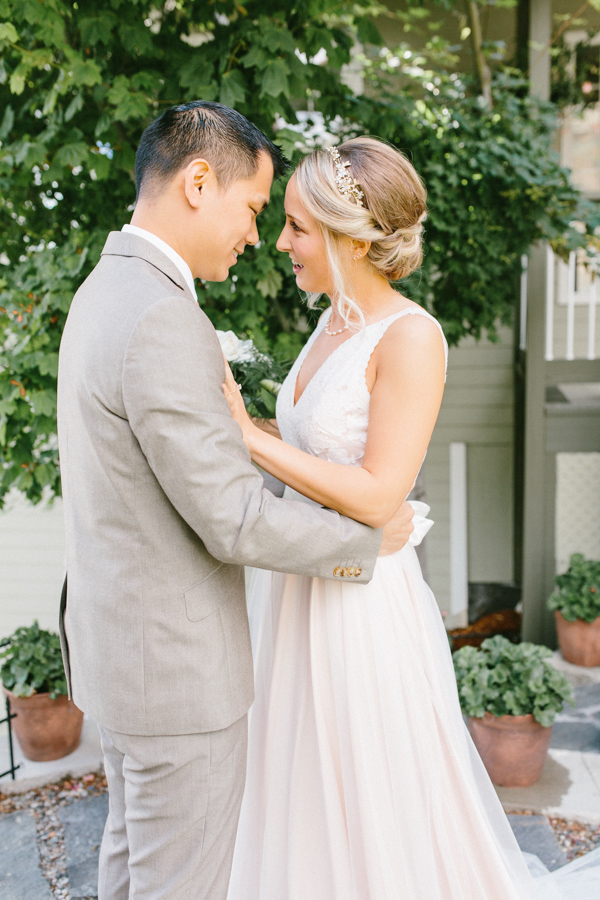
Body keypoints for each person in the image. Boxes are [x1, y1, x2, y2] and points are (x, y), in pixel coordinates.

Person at [223, 138, 600, 900]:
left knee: (366, 787)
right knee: (297, 784)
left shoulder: (411, 336)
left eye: (297, 226)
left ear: (348, 236)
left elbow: (375, 494)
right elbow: (306, 452)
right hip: (300, 586)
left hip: (359, 606)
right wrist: (241, 422)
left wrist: (242, 437)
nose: (282, 242)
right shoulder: (332, 323)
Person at [56, 103, 415, 900]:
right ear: (197, 182)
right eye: (256, 210)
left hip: (125, 657)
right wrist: (367, 544)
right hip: (175, 677)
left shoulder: (103, 291)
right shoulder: (161, 316)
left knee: (133, 868)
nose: (258, 237)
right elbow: (231, 517)